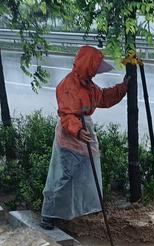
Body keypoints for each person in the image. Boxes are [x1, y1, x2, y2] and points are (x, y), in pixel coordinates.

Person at [41, 45, 129, 229]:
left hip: (84, 135)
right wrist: (78, 130)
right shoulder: (68, 85)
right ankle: (48, 215)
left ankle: (73, 211)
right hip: (70, 138)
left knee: (82, 174)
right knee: (62, 177)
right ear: (88, 66)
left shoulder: (89, 85)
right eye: (95, 68)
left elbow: (103, 98)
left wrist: (123, 87)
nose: (96, 73)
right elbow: (67, 114)